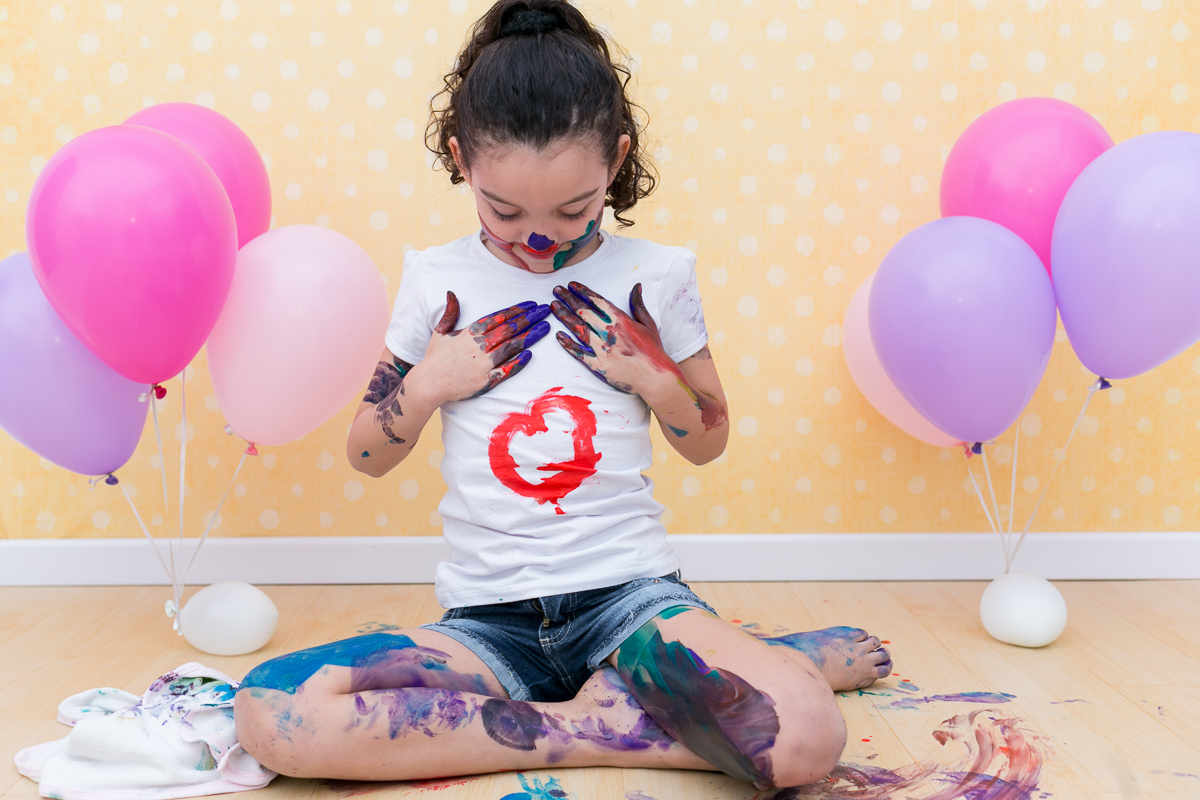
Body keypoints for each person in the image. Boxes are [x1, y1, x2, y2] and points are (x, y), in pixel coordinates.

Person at [233, 0, 891, 789]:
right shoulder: (436, 281)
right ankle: (604, 721)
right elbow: (366, 453)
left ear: (614, 162)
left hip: (631, 607)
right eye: (504, 211)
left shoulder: (659, 275)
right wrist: (430, 383)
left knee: (809, 739)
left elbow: (709, 440)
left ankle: (668, 684)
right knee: (276, 710)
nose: (540, 238)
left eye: (575, 210)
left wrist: (654, 376)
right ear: (461, 161)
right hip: (487, 625)